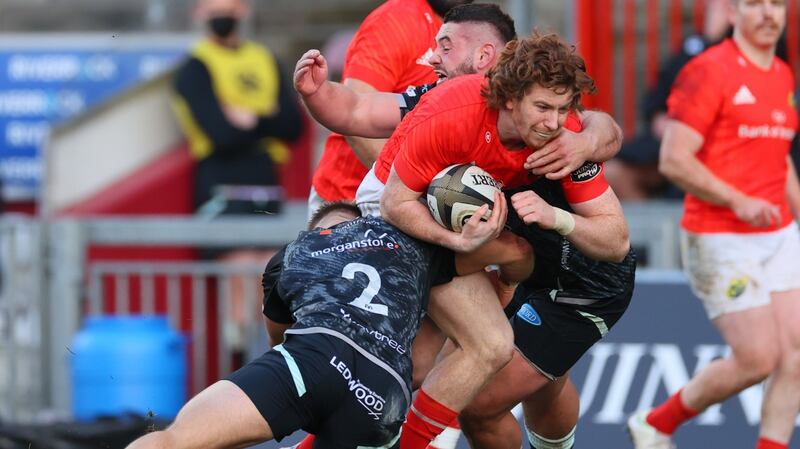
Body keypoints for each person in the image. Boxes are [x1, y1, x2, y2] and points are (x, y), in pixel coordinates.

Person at [295, 7, 625, 449]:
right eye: (544, 108)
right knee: (462, 363)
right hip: (417, 226)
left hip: (579, 281)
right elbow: (364, 128)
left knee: (507, 375)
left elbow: (612, 229)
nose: (432, 58)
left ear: (489, 57)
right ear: (509, 96)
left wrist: (583, 146)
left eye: (446, 46)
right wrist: (315, 93)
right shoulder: (448, 105)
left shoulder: (562, 133)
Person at [377, 32, 634, 449]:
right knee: (535, 379)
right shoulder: (455, 116)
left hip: (585, 291)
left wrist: (558, 216)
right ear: (510, 97)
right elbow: (391, 193)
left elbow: (617, 241)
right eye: (543, 107)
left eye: (563, 108)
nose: (553, 122)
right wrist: (455, 241)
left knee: (477, 405)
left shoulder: (565, 142)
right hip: (519, 268)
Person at [127, 201, 532, 449]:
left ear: (318, 229)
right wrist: (508, 278)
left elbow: (277, 339)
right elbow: (517, 252)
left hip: (314, 357)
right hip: (382, 394)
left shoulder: (295, 251)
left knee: (177, 439)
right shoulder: (406, 243)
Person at [626, 1, 800, 449]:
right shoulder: (708, 70)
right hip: (720, 235)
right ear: (732, 11)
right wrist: (737, 201)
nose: (768, 14)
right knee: (759, 358)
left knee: (796, 355)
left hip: (779, 235)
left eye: (776, 3)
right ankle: (657, 422)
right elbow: (673, 160)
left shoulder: (781, 72)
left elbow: (779, 160)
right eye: (754, 4)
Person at [171, 0, 304, 362]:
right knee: (239, 284)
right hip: (221, 185)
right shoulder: (194, 67)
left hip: (266, 184)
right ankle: (240, 377)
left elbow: (292, 126)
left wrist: (247, 117)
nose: (223, 14)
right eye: (214, 7)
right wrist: (266, 118)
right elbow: (220, 134)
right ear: (198, 13)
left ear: (244, 10)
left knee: (270, 284)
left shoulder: (264, 58)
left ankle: (272, 376)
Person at [308, 0, 473, 218]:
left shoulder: (483, 30)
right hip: (353, 201)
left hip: (428, 207)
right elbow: (356, 114)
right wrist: (414, 194)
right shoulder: (397, 19)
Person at [604, 0, 732, 200]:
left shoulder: (761, 50)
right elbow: (658, 93)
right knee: (610, 173)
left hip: (717, 152)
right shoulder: (692, 45)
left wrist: (714, 38)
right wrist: (658, 117)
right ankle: (645, 227)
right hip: (665, 145)